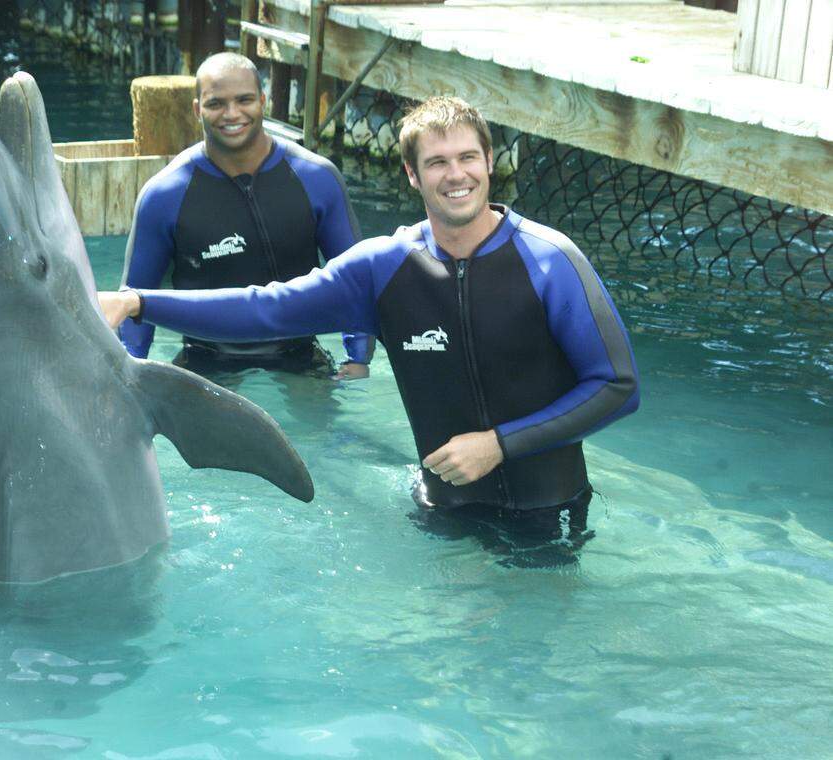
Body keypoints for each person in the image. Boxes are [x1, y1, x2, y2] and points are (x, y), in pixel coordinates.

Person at [101, 95, 640, 543]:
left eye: (468, 158)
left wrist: (499, 444)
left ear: (490, 161)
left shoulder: (550, 260)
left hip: (550, 512)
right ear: (411, 173)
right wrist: (140, 303)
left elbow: (616, 386)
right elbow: (265, 307)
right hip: (442, 510)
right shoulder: (383, 268)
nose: (457, 175)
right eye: (437, 162)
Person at [119, 52, 375, 379]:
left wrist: (358, 358)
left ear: (263, 102)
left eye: (244, 100)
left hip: (300, 356)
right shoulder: (165, 195)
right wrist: (128, 374)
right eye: (216, 104)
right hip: (205, 360)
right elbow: (132, 303)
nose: (232, 114)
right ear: (197, 109)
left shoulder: (316, 178)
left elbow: (357, 279)